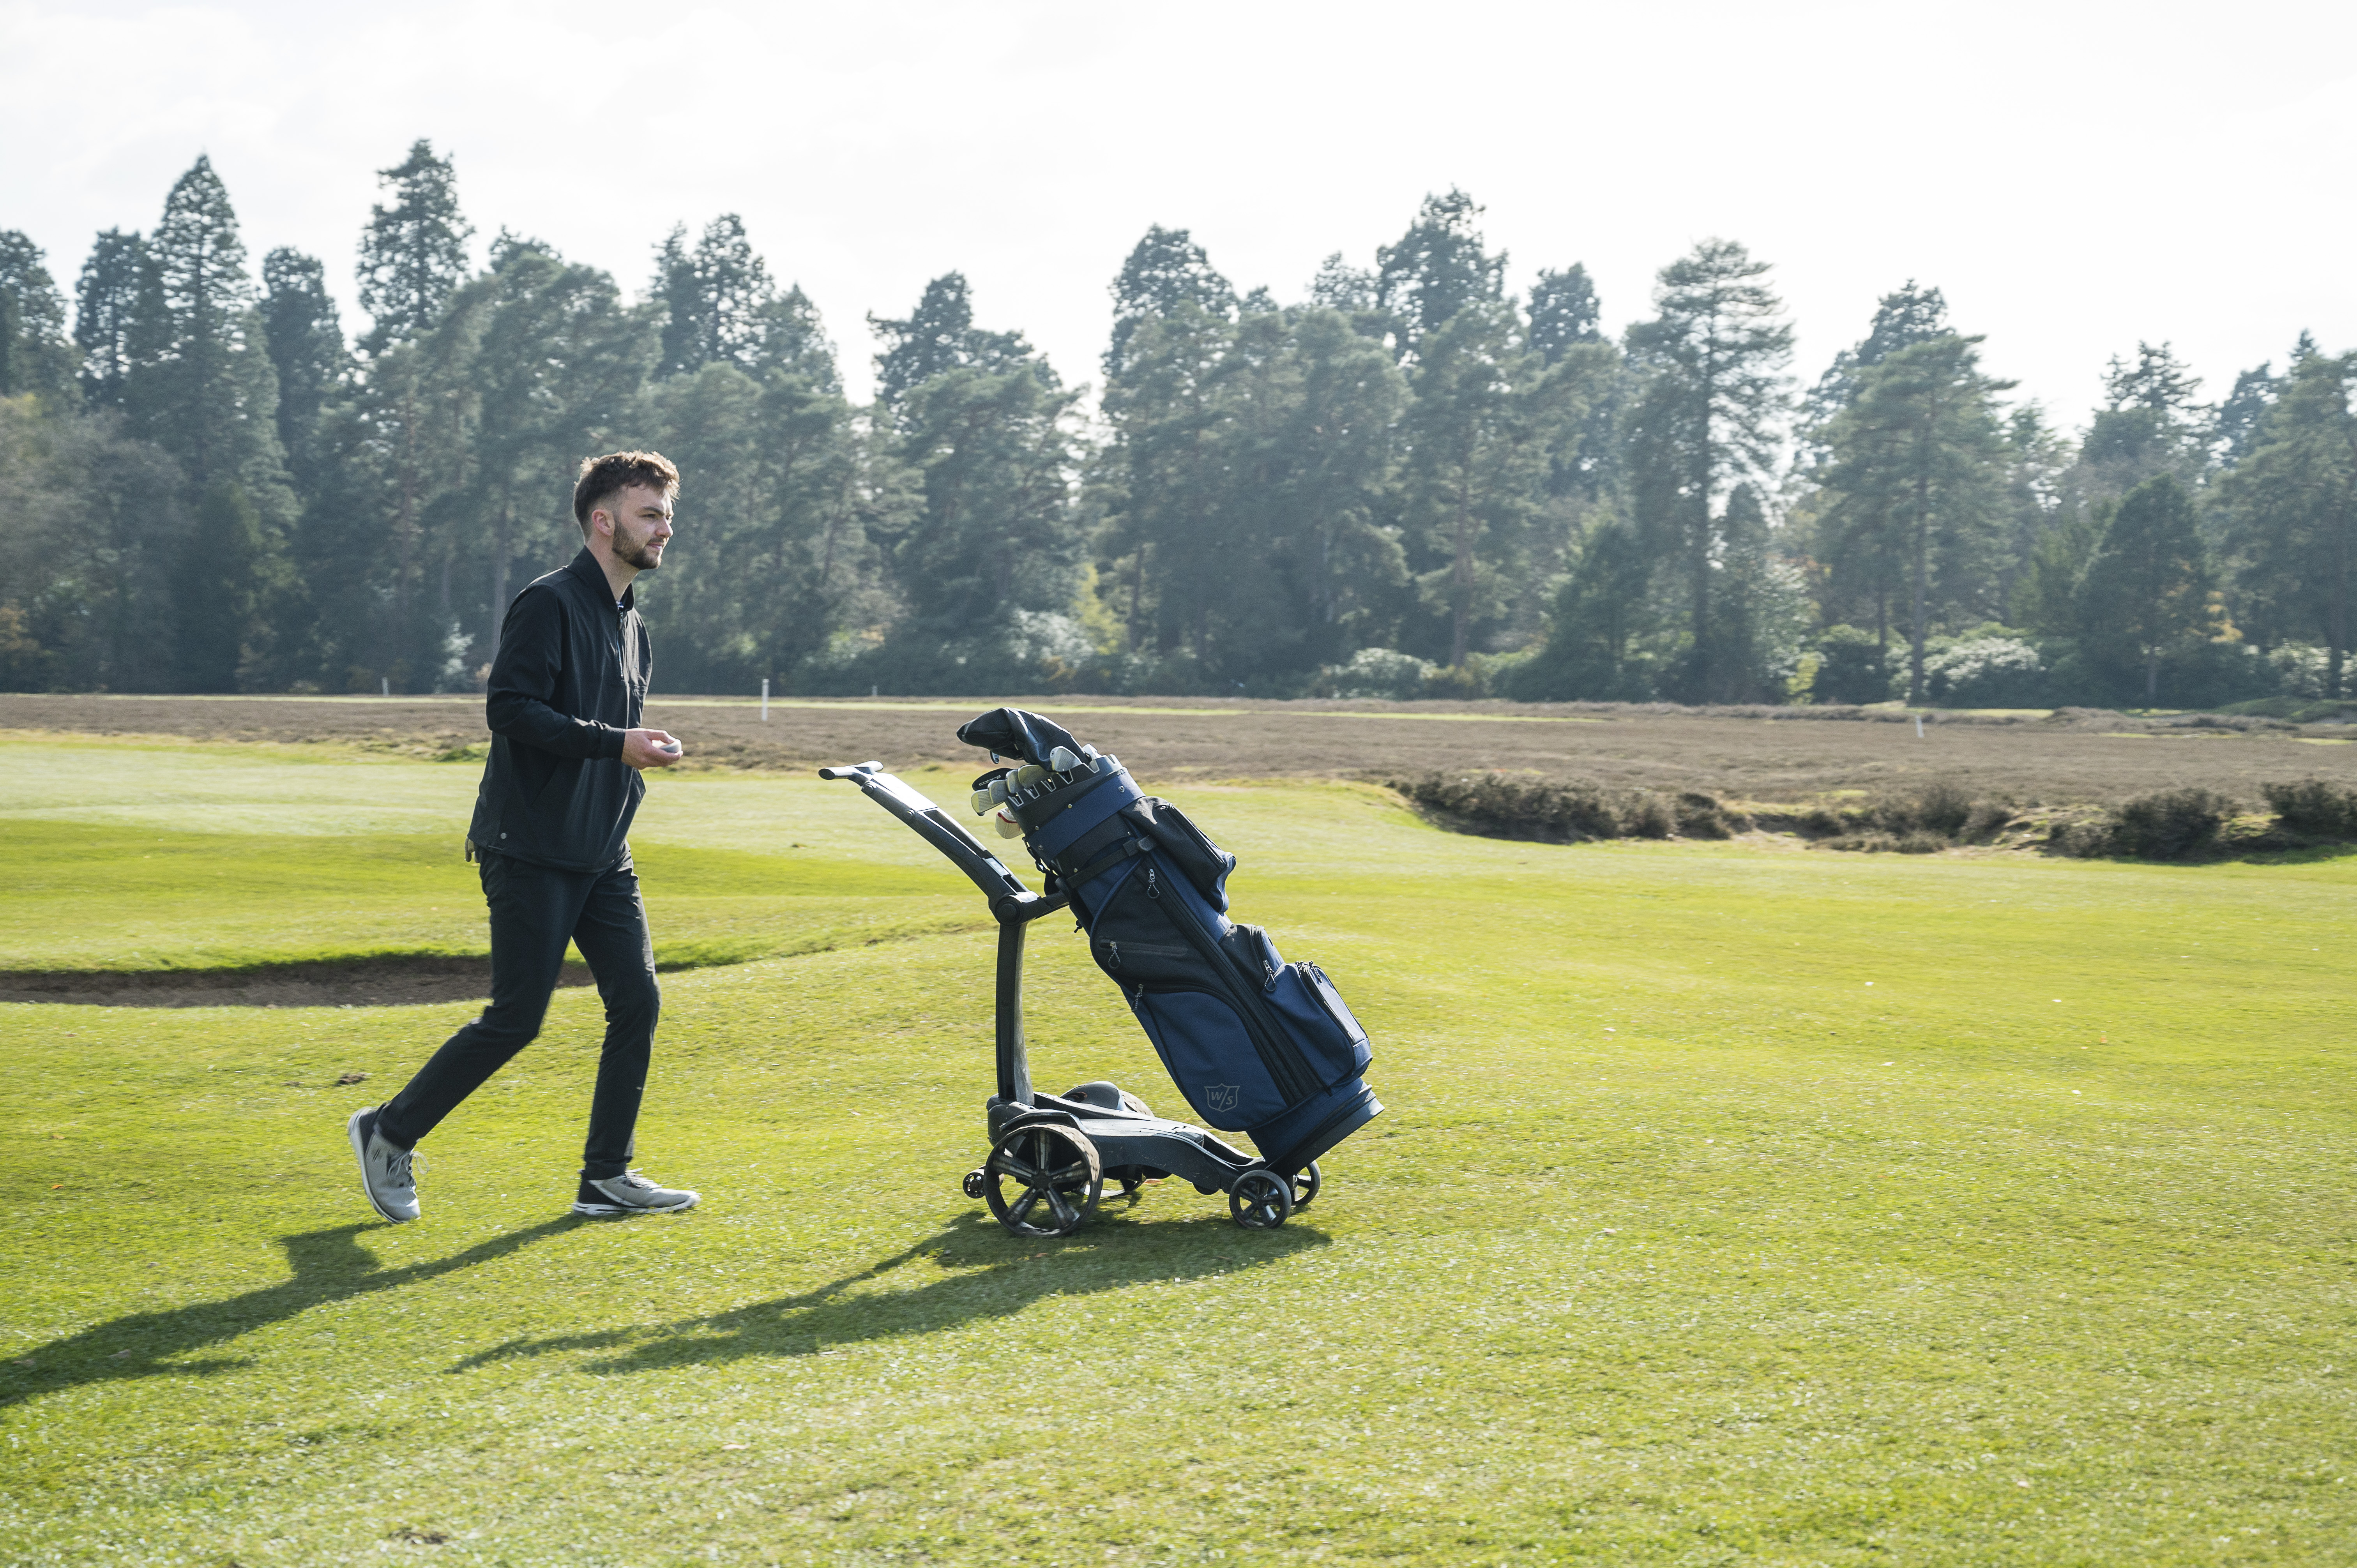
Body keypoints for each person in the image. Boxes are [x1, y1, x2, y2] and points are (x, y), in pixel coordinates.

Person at [348, 451, 698, 1222]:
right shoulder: (548, 603)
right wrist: (617, 742)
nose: (666, 528)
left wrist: (638, 749)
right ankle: (386, 1129)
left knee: (637, 999)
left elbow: (607, 730)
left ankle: (606, 1175)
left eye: (668, 514)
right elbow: (511, 710)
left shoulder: (634, 624)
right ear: (603, 521)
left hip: (604, 850)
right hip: (530, 845)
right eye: (651, 514)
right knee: (517, 1017)